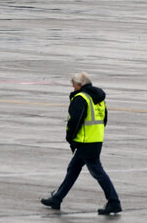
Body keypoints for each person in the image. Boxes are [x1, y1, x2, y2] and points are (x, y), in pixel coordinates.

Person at [41, 72, 122, 215]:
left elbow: (74, 121)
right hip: (95, 139)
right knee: (73, 169)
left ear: (79, 85)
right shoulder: (99, 98)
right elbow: (104, 119)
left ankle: (114, 201)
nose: (73, 88)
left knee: (97, 171)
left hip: (85, 141)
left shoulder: (81, 98)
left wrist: (70, 137)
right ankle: (57, 198)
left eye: (74, 85)